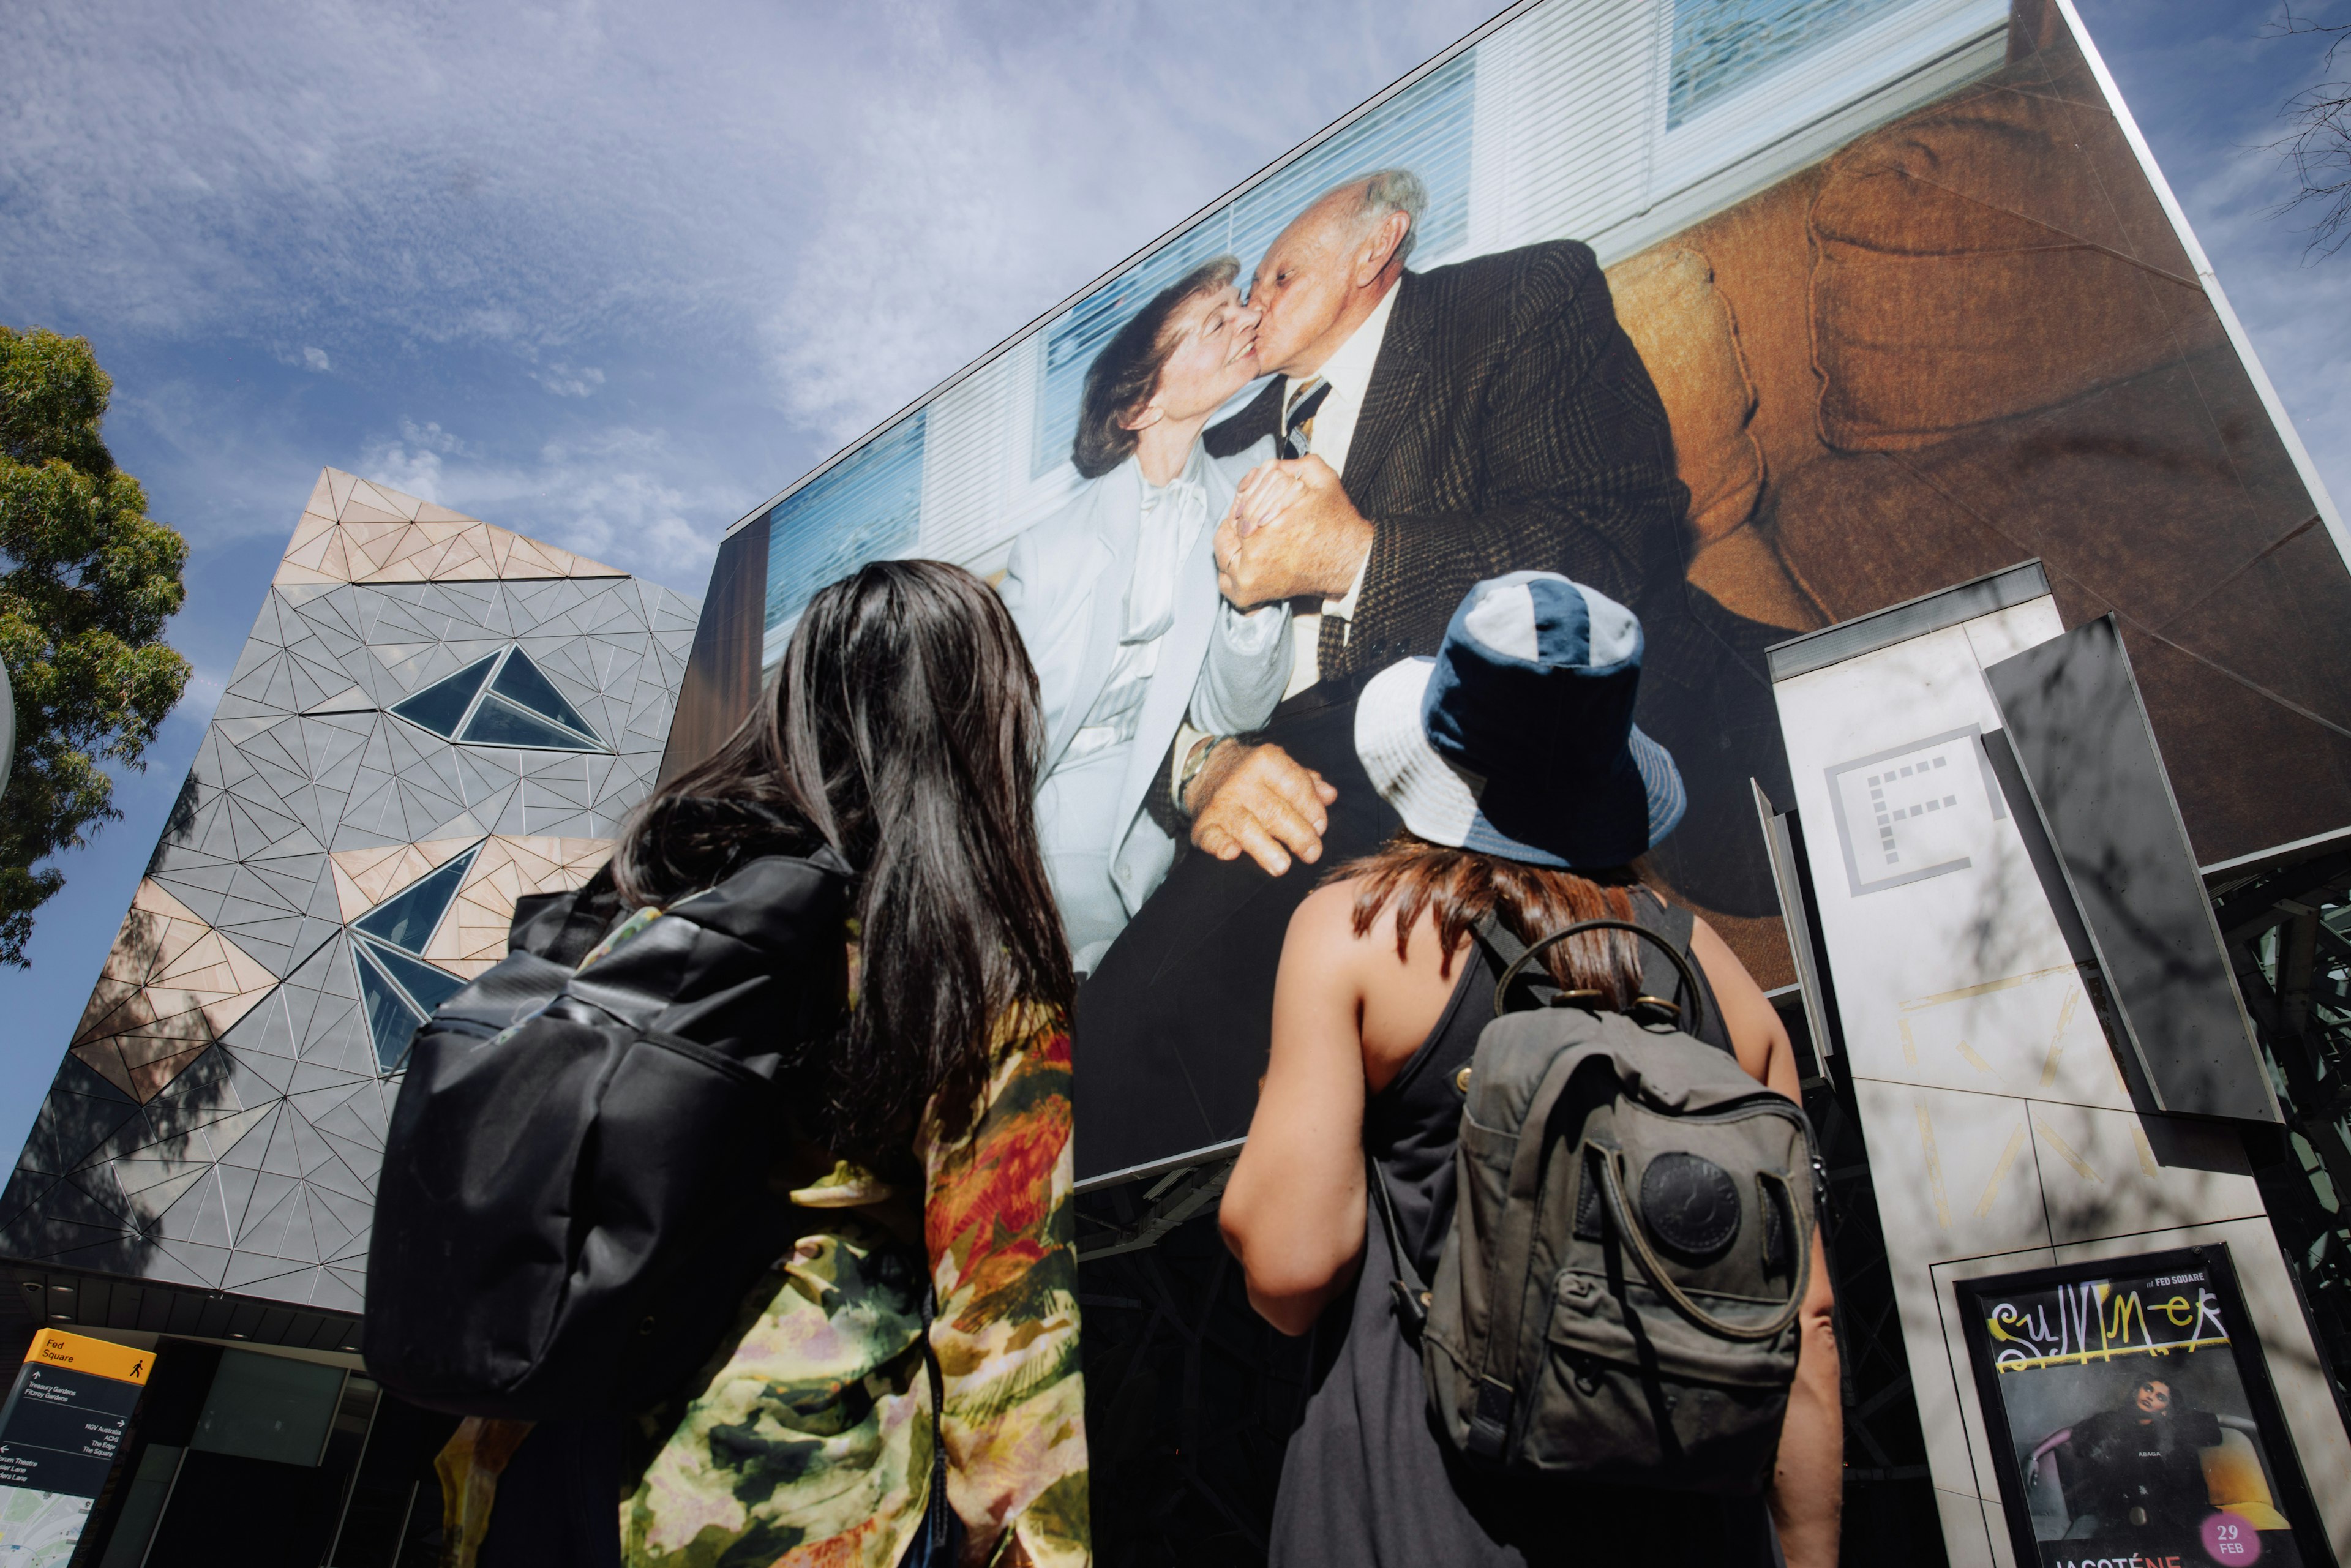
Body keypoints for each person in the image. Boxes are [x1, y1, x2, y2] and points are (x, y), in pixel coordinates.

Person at [1074, 168, 1794, 1174]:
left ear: (1375, 251)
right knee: (1108, 1050)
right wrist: (1199, 767)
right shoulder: (1214, 438)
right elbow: (1113, 692)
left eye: (1279, 277)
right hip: (1273, 776)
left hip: (1447, 731)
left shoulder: (1514, 306)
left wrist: (1354, 559)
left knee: (1131, 1049)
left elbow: (1609, 550)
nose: (1251, 309)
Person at [437, 561, 1091, 1568]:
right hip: (789, 1501)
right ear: (985, 727)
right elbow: (1012, 1344)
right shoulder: (972, 974)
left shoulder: (652, 900)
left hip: (552, 1463)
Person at [1219, 572, 1840, 1568]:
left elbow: (1292, 1268)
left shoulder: (1361, 934)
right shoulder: (1722, 981)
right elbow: (1800, 1320)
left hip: (1421, 1518)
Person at [999, 255, 1292, 973]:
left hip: (1168, 822)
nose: (1249, 318)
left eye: (1241, 306)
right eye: (1216, 321)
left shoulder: (1254, 483)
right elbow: (996, 740)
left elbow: (1238, 708)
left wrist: (1252, 583)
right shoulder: (1049, 550)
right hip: (1042, 827)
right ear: (1139, 408)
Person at [2062, 1376, 2223, 1534]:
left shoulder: (2174, 1428)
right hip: (2123, 1504)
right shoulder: (2112, 1420)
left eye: (2160, 1397)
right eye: (2148, 1389)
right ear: (2136, 1392)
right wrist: (2035, 1457)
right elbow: (2072, 1431)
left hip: (2167, 1506)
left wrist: (2250, 1426)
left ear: (2166, 1410)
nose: (2150, 1397)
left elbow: (2221, 1420)